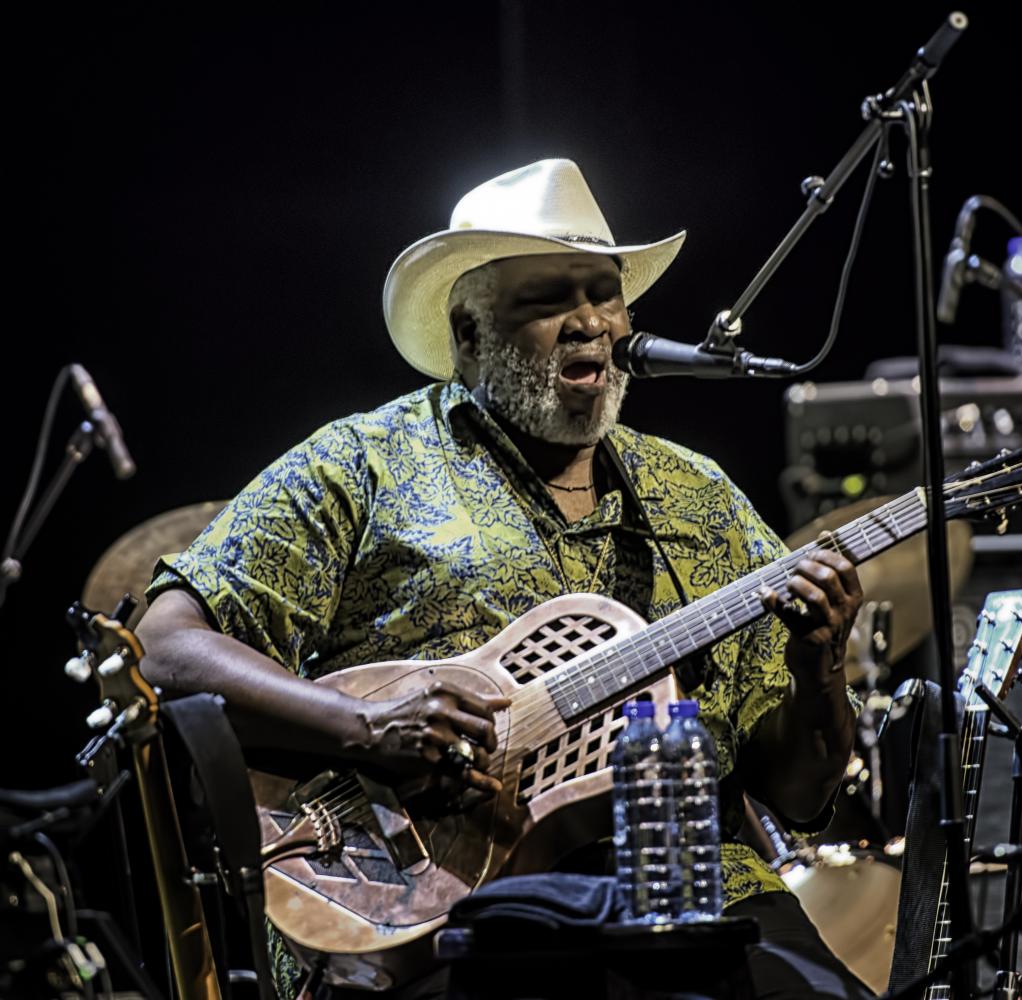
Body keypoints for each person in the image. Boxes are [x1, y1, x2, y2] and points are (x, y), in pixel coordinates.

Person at [137, 159, 870, 999]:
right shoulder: (363, 463)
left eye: (605, 292)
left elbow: (800, 797)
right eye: (548, 299)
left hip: (697, 898)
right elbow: (162, 645)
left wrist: (821, 670)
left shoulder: (698, 497)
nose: (591, 323)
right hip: (450, 912)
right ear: (469, 333)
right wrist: (366, 725)